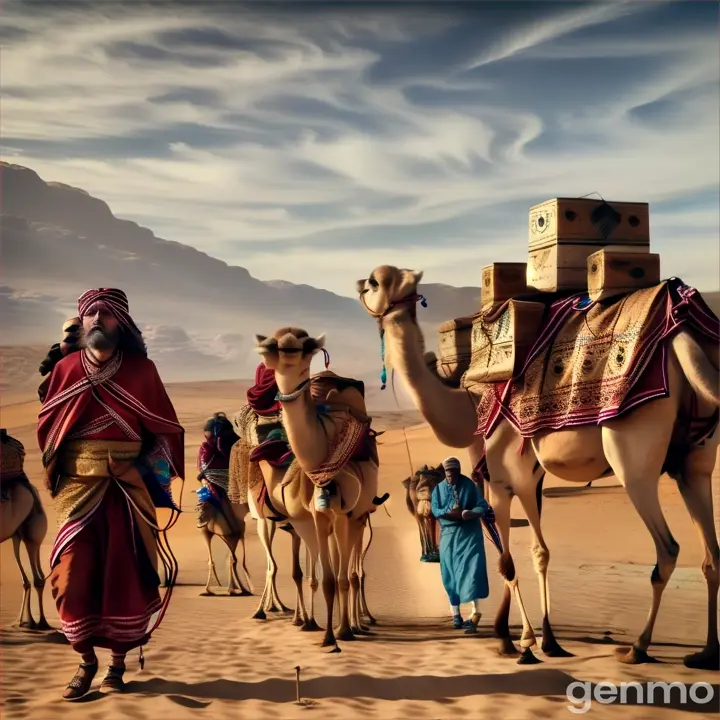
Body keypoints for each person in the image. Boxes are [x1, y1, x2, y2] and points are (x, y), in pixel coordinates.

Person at [36, 288, 184, 701]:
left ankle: (116, 666)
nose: (98, 320)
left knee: (127, 577)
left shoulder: (142, 371)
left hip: (127, 490)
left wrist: (137, 469)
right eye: (91, 314)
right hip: (78, 490)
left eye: (106, 314)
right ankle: (85, 660)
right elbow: (49, 431)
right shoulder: (66, 368)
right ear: (81, 322)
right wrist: (64, 471)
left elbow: (166, 433)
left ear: (122, 323)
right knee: (68, 578)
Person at [431, 456, 492, 634]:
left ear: (458, 471)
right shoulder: (438, 490)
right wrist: (450, 513)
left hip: (470, 535)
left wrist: (470, 514)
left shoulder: (469, 486)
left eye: (453, 472)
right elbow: (436, 510)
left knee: (471, 572)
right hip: (449, 537)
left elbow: (482, 505)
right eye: (447, 472)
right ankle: (456, 615)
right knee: (449, 576)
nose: (450, 476)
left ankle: (475, 614)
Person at [196, 412, 239, 525]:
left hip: (220, 478)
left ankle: (203, 511)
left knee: (205, 489)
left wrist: (202, 476)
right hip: (237, 477)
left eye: (207, 435)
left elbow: (204, 465)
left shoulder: (206, 447)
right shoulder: (238, 444)